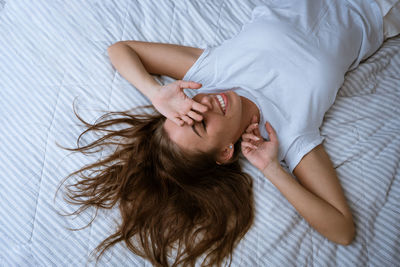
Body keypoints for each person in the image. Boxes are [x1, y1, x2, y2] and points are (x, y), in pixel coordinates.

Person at [57, 1, 400, 266]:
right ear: (224, 152)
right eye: (200, 124)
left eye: (188, 109)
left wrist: (156, 94)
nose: (203, 104)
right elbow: (341, 229)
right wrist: (272, 169)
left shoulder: (209, 73)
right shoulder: (289, 132)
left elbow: (120, 50)